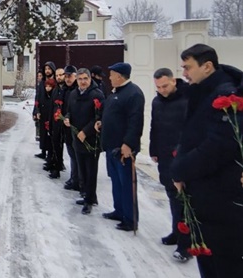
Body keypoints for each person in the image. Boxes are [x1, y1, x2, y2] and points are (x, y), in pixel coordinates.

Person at [170, 44, 243, 277]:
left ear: (207, 66)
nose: (184, 73)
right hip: (203, 198)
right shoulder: (202, 92)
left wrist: (180, 169)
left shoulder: (226, 95)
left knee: (224, 266)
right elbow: (191, 135)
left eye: (188, 67)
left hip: (222, 201)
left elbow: (219, 147)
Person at [148, 68, 191, 262]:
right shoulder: (157, 101)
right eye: (158, 87)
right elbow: (154, 127)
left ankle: (187, 244)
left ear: (174, 81)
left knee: (185, 201)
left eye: (165, 85)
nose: (162, 90)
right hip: (165, 157)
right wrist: (153, 150)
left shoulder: (188, 99)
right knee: (173, 197)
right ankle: (176, 232)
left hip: (184, 158)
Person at [96, 62, 144, 231]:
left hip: (123, 148)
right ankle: (119, 210)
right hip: (111, 147)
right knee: (116, 181)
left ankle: (131, 219)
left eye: (111, 74)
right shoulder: (116, 93)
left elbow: (135, 122)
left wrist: (128, 144)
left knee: (126, 183)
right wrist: (102, 122)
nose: (109, 78)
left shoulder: (133, 93)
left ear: (119, 75)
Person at [65, 68, 104, 214]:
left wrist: (86, 131)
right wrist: (68, 118)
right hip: (77, 138)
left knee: (91, 171)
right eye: (80, 79)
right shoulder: (74, 94)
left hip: (91, 140)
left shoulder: (97, 95)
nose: (82, 81)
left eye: (85, 79)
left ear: (89, 79)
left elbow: (98, 117)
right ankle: (89, 196)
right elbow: (69, 110)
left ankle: (89, 201)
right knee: (82, 170)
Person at [46, 67, 67, 178]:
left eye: (61, 75)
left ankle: (60, 165)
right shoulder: (55, 89)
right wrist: (50, 122)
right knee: (56, 146)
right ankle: (56, 167)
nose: (59, 77)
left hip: (65, 123)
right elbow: (52, 107)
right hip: (55, 123)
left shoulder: (68, 90)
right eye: (57, 75)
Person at [61, 66, 79, 191]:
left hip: (76, 129)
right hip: (67, 127)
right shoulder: (64, 90)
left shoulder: (78, 90)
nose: (67, 79)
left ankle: (78, 180)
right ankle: (74, 178)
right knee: (72, 155)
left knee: (77, 156)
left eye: (70, 76)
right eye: (66, 76)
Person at [34, 61, 56, 157]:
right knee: (43, 133)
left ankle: (52, 155)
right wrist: (36, 110)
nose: (47, 71)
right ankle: (43, 152)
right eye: (46, 69)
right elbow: (37, 97)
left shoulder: (56, 82)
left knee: (51, 134)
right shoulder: (41, 83)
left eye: (49, 69)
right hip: (42, 112)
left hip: (52, 112)